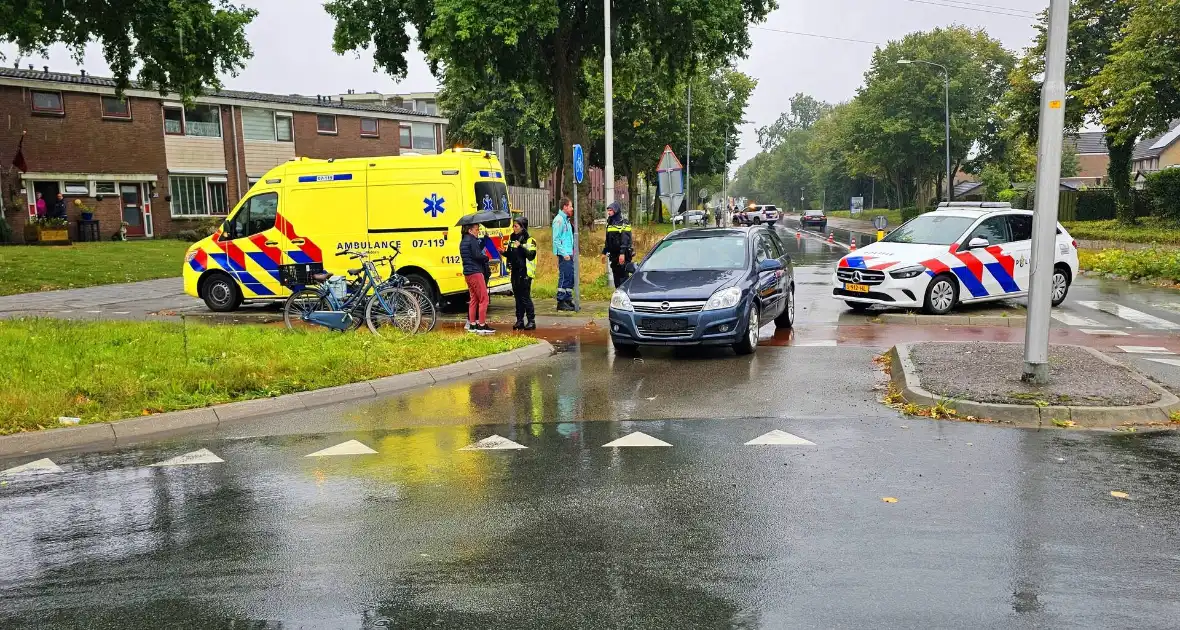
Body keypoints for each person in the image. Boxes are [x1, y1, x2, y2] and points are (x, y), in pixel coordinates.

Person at [504, 215, 538, 330]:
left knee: (525, 297)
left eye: (516, 226)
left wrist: (521, 247)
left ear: (522, 227)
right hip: (515, 272)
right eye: (513, 226)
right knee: (517, 297)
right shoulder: (512, 238)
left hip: (525, 273)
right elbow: (511, 254)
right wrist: (504, 253)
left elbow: (531, 255)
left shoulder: (530, 240)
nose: (514, 228)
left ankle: (531, 320)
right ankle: (519, 320)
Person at [460, 222, 494, 334]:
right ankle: (482, 325)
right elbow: (477, 255)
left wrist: (483, 241)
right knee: (484, 299)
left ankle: (473, 325)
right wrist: (486, 258)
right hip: (475, 272)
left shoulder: (463, 241)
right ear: (470, 230)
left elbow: (473, 252)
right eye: (476, 229)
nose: (478, 231)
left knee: (474, 299)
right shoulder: (472, 240)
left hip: (468, 273)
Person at [602, 201, 634, 288]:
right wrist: (604, 252)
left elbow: (625, 239)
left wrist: (622, 253)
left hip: (623, 255)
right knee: (616, 277)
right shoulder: (610, 222)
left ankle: (625, 296)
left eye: (610, 210)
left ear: (616, 210)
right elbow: (608, 240)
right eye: (608, 210)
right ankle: (618, 296)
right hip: (614, 255)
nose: (609, 212)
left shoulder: (624, 222)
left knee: (623, 277)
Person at [552, 197, 575, 311]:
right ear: (565, 207)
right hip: (564, 254)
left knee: (570, 277)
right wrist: (564, 253)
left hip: (569, 253)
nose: (572, 208)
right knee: (564, 276)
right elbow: (556, 239)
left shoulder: (566, 219)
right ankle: (561, 301)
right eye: (570, 206)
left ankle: (568, 299)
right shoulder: (559, 220)